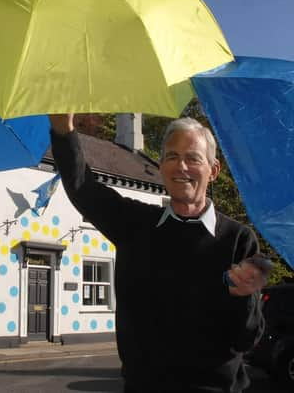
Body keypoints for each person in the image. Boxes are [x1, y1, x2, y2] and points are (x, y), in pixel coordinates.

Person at [50, 114, 267, 393]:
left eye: (193, 158)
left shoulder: (239, 240)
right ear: (162, 165)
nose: (181, 166)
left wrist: (244, 299)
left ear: (214, 170)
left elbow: (246, 340)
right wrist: (63, 129)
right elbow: (83, 188)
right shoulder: (134, 224)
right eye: (172, 156)